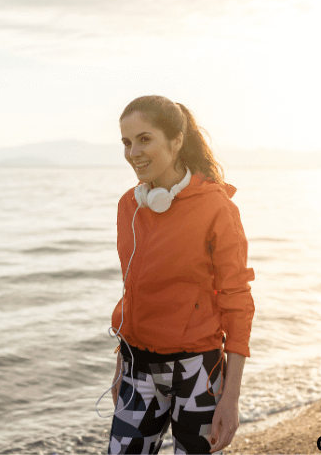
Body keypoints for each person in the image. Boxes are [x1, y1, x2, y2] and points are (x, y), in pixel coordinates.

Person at [108, 96, 255, 454]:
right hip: (137, 369)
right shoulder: (130, 205)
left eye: (144, 139)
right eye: (127, 142)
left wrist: (230, 397)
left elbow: (237, 301)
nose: (133, 152)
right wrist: (120, 365)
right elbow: (134, 290)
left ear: (176, 141)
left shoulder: (216, 207)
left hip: (196, 372)